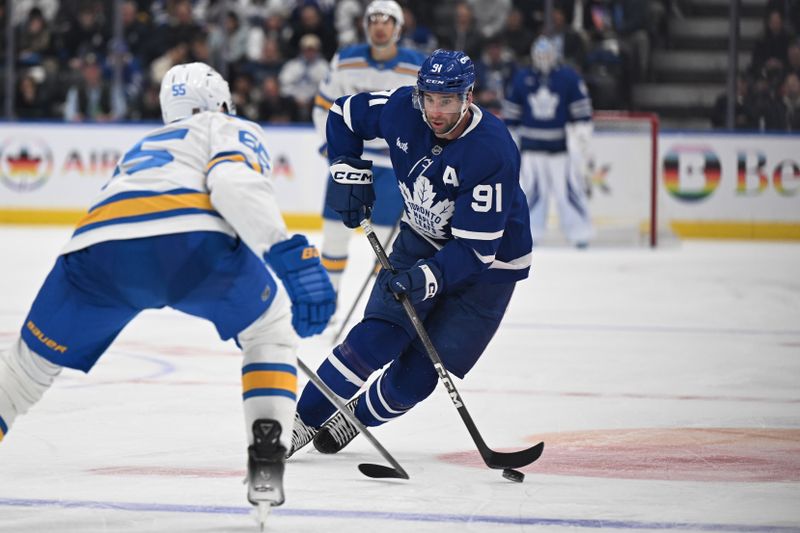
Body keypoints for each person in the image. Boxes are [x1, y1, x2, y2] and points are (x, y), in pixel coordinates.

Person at [0, 62, 335, 512]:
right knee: (268, 331)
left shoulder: (144, 144)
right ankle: (267, 456)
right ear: (220, 101)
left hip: (97, 252)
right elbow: (232, 183)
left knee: (24, 373)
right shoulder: (227, 124)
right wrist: (284, 252)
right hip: (191, 246)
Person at [288, 49, 533, 456]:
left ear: (468, 97)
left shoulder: (492, 150)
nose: (435, 111)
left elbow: (474, 252)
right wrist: (348, 170)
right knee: (375, 339)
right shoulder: (404, 107)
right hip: (421, 236)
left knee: (417, 376)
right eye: (429, 99)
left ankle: (354, 419)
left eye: (447, 100)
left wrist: (424, 279)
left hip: (490, 267)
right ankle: (301, 422)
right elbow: (344, 113)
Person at [313, 0, 426, 309]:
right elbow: (323, 106)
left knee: (389, 248)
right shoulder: (345, 60)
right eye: (374, 20)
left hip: (394, 165)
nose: (379, 26)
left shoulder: (417, 65)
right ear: (365, 26)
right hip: (351, 161)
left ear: (398, 28)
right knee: (335, 235)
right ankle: (327, 303)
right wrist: (332, 151)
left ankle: (381, 307)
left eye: (386, 21)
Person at [503, 36, 594, 247]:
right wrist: (511, 142)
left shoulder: (568, 77)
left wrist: (582, 136)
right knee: (532, 194)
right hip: (531, 150)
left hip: (560, 150)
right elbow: (511, 117)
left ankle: (580, 233)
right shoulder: (522, 78)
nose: (544, 59)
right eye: (540, 55)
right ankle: (531, 234)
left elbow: (581, 113)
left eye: (547, 54)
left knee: (569, 192)